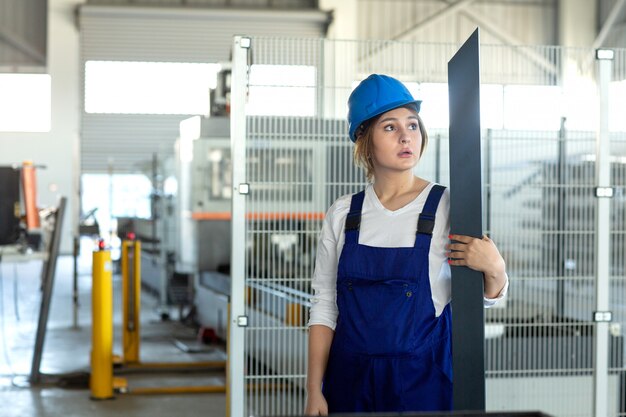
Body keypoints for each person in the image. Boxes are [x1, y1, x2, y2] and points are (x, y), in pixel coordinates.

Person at [305, 74, 508, 415]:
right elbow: (325, 306)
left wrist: (496, 268)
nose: (405, 136)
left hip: (424, 387)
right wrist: (314, 390)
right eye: (389, 127)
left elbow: (482, 300)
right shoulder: (343, 214)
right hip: (349, 386)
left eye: (412, 125)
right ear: (363, 139)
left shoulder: (448, 206)